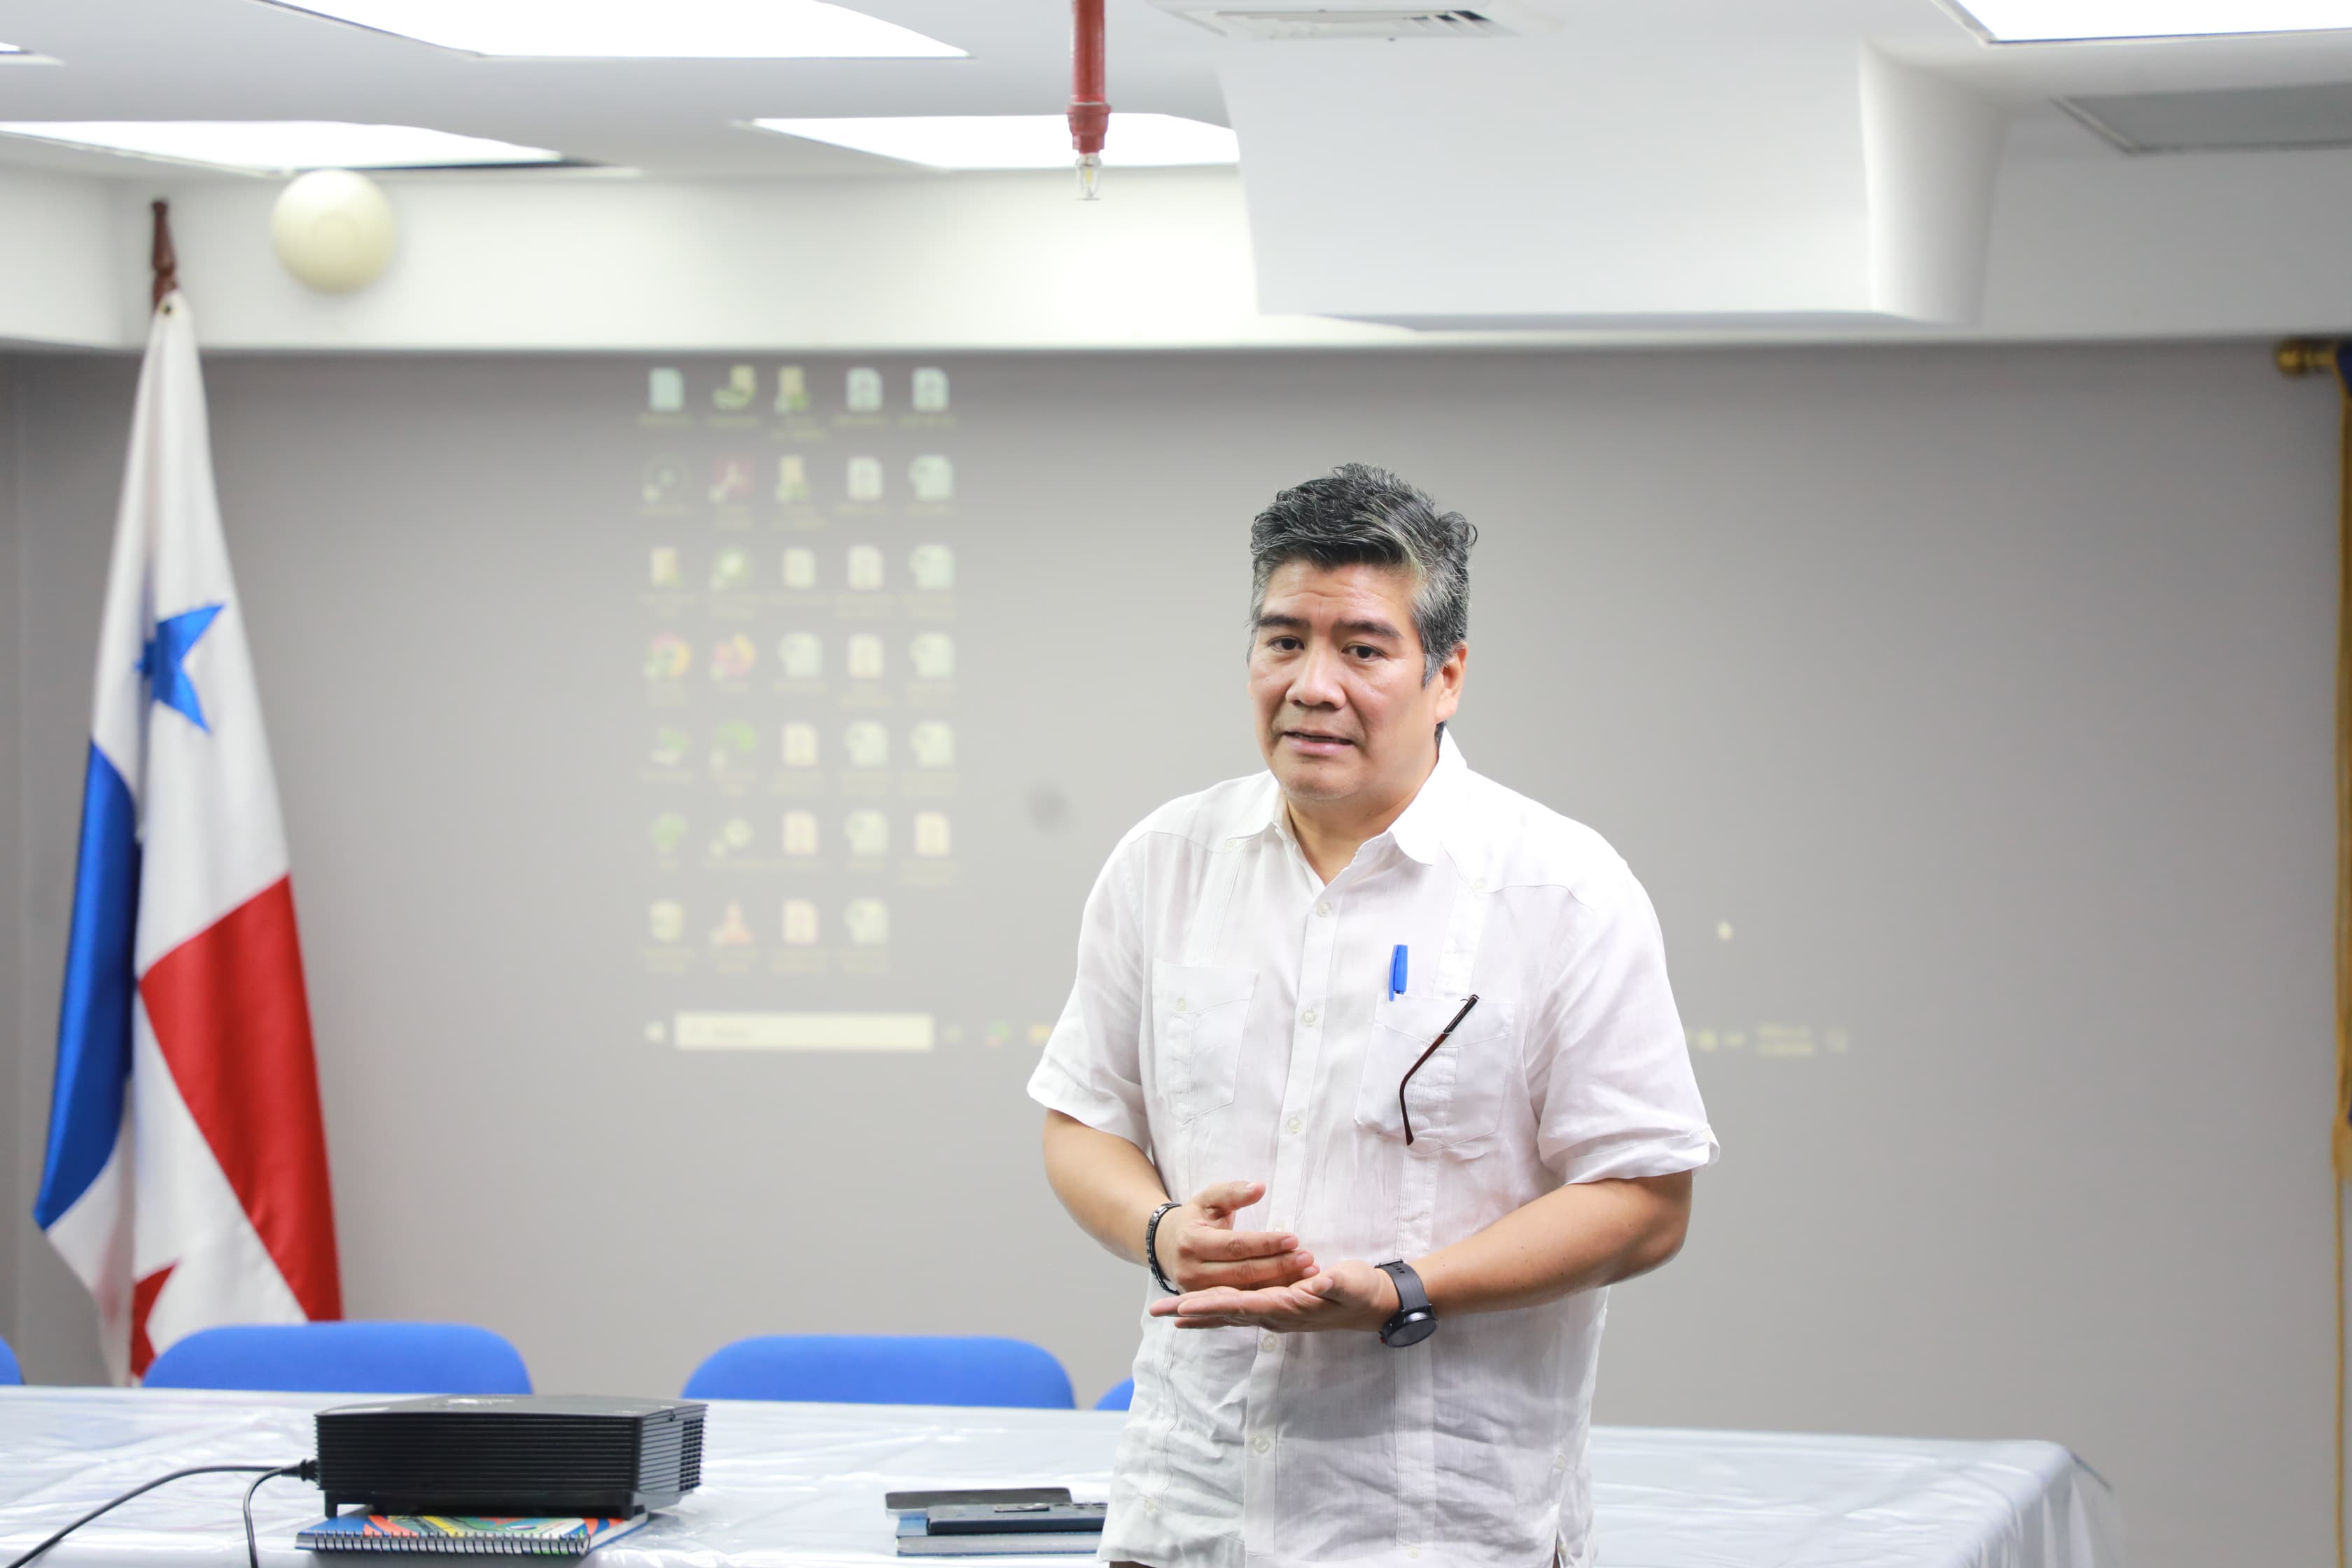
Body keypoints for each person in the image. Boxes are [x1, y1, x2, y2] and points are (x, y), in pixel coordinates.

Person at [1029, 464, 1717, 1568]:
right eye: (1283, 641)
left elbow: (1645, 1202)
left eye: (1361, 649)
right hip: (1190, 1511)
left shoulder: (1562, 889)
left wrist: (1403, 1290)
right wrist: (1161, 1233)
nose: (1312, 685)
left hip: (1439, 1523)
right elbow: (1082, 1121)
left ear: (1446, 676)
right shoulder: (1167, 861)